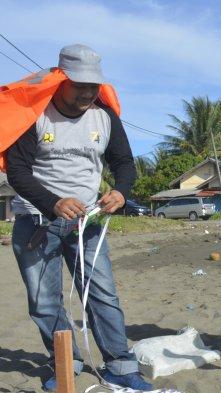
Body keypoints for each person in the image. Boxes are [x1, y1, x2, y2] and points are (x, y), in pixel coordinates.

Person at [6, 44, 152, 391]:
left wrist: (122, 191)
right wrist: (52, 202)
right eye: (80, 85)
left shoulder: (105, 117)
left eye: (94, 86)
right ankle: (66, 363)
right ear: (61, 80)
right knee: (44, 301)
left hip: (88, 223)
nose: (88, 92)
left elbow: (124, 164)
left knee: (102, 294)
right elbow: (17, 170)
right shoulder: (35, 114)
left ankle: (119, 364)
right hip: (36, 222)